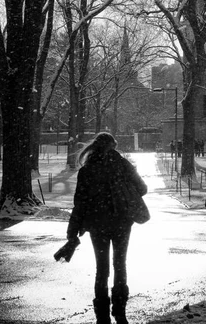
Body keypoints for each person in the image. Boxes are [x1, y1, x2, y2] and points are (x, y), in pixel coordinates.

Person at [66, 132, 148, 324]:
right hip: (121, 221)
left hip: (97, 224)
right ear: (113, 145)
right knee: (120, 265)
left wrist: (72, 232)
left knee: (101, 269)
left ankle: (102, 316)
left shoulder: (87, 170)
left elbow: (80, 203)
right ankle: (119, 311)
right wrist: (124, 190)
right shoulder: (123, 165)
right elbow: (143, 188)